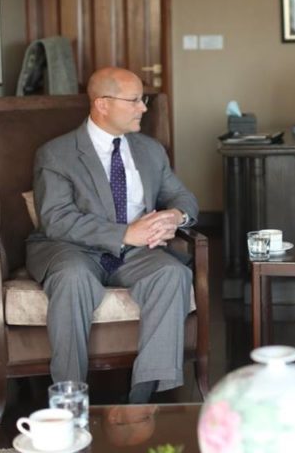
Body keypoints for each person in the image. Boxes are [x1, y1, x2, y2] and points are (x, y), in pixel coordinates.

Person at [26, 67, 198, 404]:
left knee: (173, 273)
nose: (143, 108)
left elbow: (182, 196)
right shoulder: (56, 153)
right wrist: (125, 233)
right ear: (102, 104)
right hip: (72, 248)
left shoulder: (150, 150)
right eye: (134, 100)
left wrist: (175, 216)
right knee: (73, 279)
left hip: (136, 252)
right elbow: (56, 219)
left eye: (143, 100)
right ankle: (70, 400)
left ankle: (141, 400)